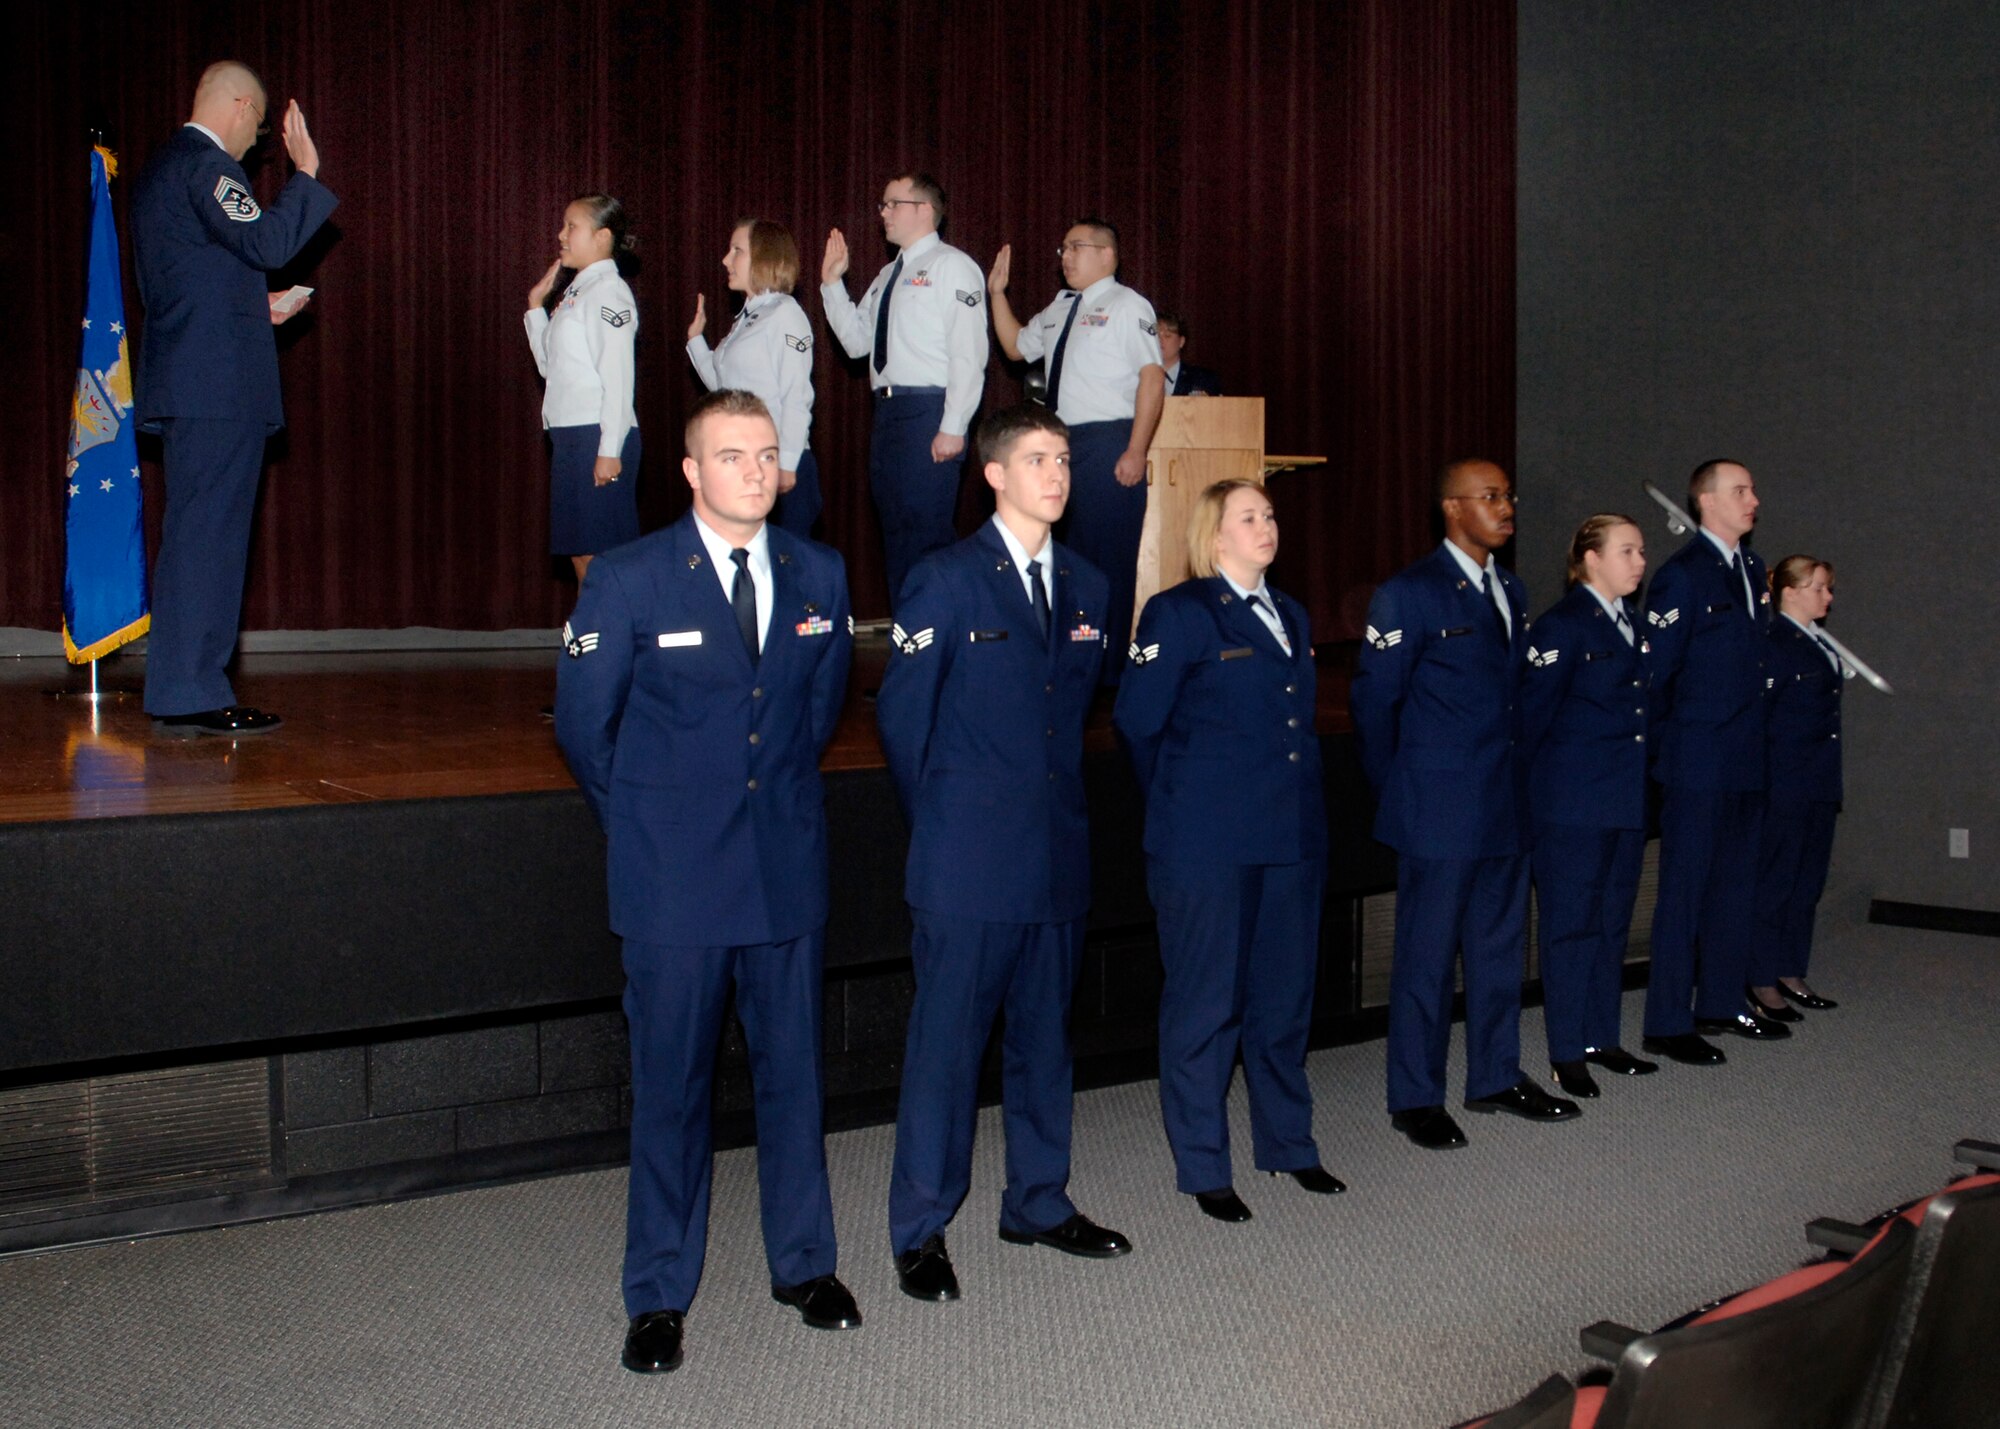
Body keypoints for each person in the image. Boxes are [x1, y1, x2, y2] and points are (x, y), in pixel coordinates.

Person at [555, 390, 859, 1375]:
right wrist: (649, 829)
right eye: (732, 456)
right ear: (689, 471)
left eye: (767, 455)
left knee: (792, 1079)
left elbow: (812, 716)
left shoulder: (819, 570)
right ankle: (656, 1294)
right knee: (671, 1093)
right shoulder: (630, 579)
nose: (756, 473)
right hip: (673, 884)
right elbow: (583, 730)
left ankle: (804, 1264)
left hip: (783, 874)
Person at [876, 401, 1130, 1303]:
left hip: (1057, 858)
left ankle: (1038, 1198)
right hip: (966, 863)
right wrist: (948, 826)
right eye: (1037, 459)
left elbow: (1073, 718)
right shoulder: (945, 580)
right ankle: (920, 1226)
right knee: (946, 1052)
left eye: (1064, 459)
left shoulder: (1094, 586)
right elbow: (904, 727)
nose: (1057, 474)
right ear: (992, 474)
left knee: (1042, 1045)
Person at [1112, 478, 1343, 1223]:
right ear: (1215, 537)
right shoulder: (1180, 612)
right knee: (1206, 1005)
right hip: (1206, 842)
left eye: (1269, 514)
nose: (1266, 525)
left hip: (1289, 838)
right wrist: (1187, 807)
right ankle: (1204, 1164)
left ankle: (1288, 1144)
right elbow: (1139, 724)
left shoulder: (1294, 615)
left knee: (1282, 999)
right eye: (1249, 517)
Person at [1350, 458, 1580, 1150]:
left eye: (1508, 495)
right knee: (1425, 956)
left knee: (1500, 948)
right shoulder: (1409, 592)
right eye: (1489, 496)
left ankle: (1495, 1075)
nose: (1505, 507)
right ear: (1452, 508)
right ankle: (1415, 1095)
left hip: (1504, 802)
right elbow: (1374, 704)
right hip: (1438, 805)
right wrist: (1402, 788)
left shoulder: (1509, 586)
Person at [132, 60, 337, 736]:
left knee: (198, 535)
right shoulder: (209, 165)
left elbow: (193, 278)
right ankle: (192, 690)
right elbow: (269, 240)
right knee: (210, 539)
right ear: (240, 104)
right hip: (216, 385)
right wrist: (306, 172)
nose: (259, 140)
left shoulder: (164, 168)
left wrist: (256, 307)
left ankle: (182, 686)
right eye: (259, 121)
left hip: (193, 377)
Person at [1640, 459, 1788, 1063]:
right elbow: (1656, 677)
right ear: (1705, 501)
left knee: (1735, 886)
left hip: (1748, 756)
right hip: (1698, 759)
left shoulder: (1752, 568)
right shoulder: (1683, 576)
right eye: (1741, 490)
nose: (1754, 499)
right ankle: (1669, 1021)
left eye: (1753, 489)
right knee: (1684, 891)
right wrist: (1665, 755)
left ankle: (1722, 1002)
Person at [1519, 515, 1659, 1100]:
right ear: (1591, 559)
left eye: (1642, 551)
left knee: (1611, 924)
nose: (1640, 561)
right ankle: (1566, 1050)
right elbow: (1529, 721)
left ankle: (1603, 1036)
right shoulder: (1561, 626)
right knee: (1570, 927)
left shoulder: (1631, 622)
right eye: (1627, 551)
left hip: (1623, 799)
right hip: (1572, 805)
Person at [989, 220, 1167, 676]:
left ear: (1108, 255)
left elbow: (1151, 377)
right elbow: (1013, 348)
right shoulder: (1057, 308)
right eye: (1062, 247)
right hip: (1063, 447)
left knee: (1109, 560)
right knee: (1068, 558)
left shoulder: (1128, 305)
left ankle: (1108, 674)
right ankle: (1073, 661)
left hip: (1110, 440)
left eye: (1077, 247)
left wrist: (1136, 449)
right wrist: (996, 295)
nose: (1065, 256)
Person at [819, 172, 989, 601]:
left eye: (893, 204)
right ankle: (910, 637)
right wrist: (832, 284)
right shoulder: (886, 274)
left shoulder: (953, 265)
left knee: (927, 534)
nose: (883, 213)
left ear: (925, 210)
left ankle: (939, 641)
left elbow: (968, 353)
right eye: (883, 205)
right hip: (889, 414)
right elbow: (858, 345)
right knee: (896, 533)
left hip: (929, 412)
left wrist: (954, 424)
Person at [525, 194, 641, 584]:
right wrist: (535, 308)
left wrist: (610, 450)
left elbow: (619, 377)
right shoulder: (578, 293)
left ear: (602, 237)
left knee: (603, 559)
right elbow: (550, 366)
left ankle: (615, 644)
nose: (561, 235)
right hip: (573, 435)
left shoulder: (608, 292)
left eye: (571, 226)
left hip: (598, 434)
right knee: (582, 555)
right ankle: (594, 643)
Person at [1749, 556, 1844, 1017]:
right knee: (1776, 881)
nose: (1828, 596)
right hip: (1784, 783)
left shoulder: (1819, 642)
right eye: (1820, 588)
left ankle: (1790, 968)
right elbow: (1762, 721)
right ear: (1790, 591)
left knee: (1806, 882)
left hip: (1818, 781)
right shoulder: (1774, 643)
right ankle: (1762, 976)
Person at [687, 218, 820, 536]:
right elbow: (725, 390)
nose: (725, 260)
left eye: (737, 251)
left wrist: (786, 464)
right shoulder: (749, 317)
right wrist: (696, 341)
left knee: (784, 573)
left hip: (778, 464)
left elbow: (796, 395)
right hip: (750, 462)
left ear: (764, 258)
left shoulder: (784, 314)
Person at [1155, 312, 1223, 396]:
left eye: (1167, 336)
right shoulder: (1138, 376)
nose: (1160, 341)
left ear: (1181, 342)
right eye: (1156, 336)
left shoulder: (1203, 379)